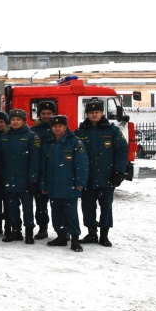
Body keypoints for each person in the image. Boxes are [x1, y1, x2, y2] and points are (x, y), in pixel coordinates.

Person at [74, 98, 128, 247]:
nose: (94, 115)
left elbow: (122, 151)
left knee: (106, 207)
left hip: (107, 177)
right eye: (91, 112)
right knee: (88, 207)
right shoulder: (80, 131)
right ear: (87, 114)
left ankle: (104, 235)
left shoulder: (112, 131)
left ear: (102, 113)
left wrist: (119, 172)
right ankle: (92, 233)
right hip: (87, 178)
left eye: (96, 112)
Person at [41, 115, 89, 252]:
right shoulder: (48, 143)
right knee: (56, 213)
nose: (57, 128)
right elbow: (43, 166)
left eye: (60, 126)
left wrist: (80, 182)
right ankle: (61, 236)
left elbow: (81, 164)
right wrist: (43, 184)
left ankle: (74, 239)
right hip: (53, 185)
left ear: (66, 127)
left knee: (71, 214)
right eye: (54, 126)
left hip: (70, 185)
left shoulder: (74, 142)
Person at [0, 109, 40, 244]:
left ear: (23, 121)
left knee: (27, 208)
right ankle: (16, 231)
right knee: (12, 208)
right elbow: (1, 159)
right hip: (9, 178)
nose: (15, 122)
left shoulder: (31, 136)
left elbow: (35, 160)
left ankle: (29, 232)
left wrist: (32, 179)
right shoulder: (5, 137)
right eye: (13, 119)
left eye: (18, 119)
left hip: (25, 179)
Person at [31, 101, 56, 239]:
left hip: (56, 171)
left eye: (49, 113)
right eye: (43, 113)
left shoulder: (59, 128)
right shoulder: (33, 131)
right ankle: (42, 228)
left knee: (59, 204)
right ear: (39, 115)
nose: (46, 116)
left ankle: (63, 230)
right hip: (39, 172)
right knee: (40, 205)